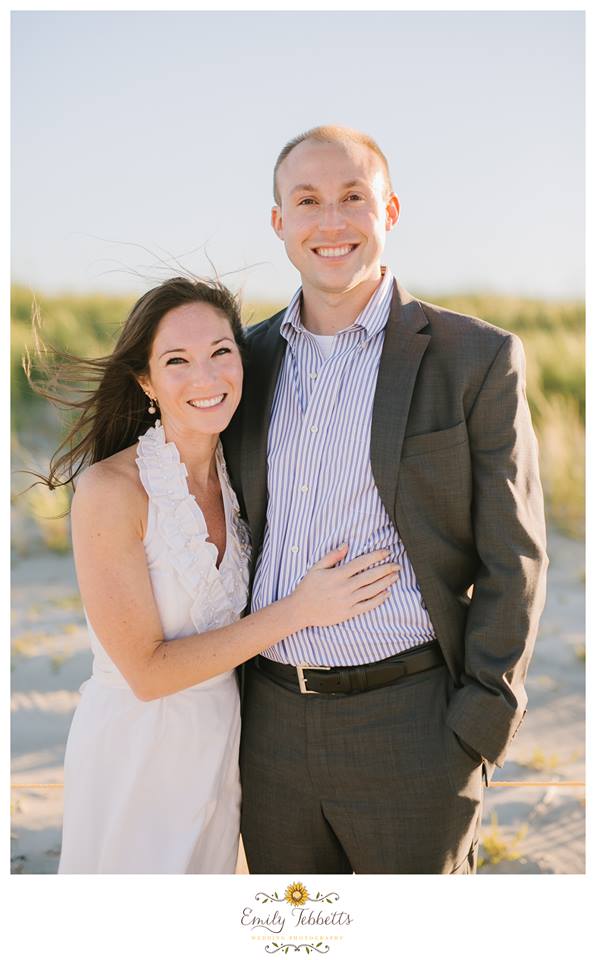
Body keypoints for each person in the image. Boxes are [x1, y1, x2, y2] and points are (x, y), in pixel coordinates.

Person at [222, 125, 549, 874]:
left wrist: (480, 724)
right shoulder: (243, 361)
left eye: (352, 198)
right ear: (279, 223)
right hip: (267, 729)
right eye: (307, 201)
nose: (330, 221)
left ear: (390, 210)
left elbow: (516, 555)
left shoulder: (475, 357)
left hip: (415, 727)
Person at [26, 277, 398, 874]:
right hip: (136, 758)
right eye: (177, 360)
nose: (206, 377)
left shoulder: (242, 473)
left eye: (221, 352)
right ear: (146, 382)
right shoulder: (110, 491)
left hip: (221, 751)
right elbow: (146, 673)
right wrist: (299, 611)